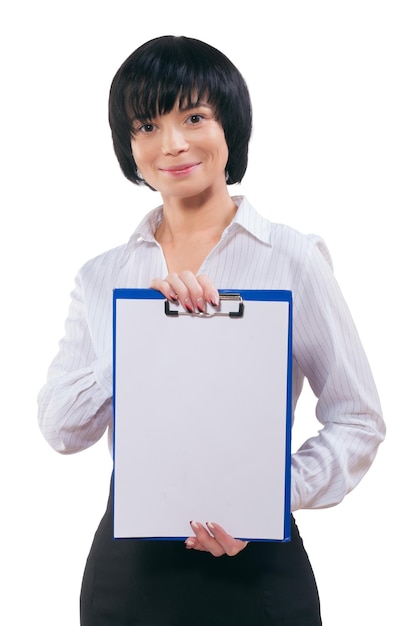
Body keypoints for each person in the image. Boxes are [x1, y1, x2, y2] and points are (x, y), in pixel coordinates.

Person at [37, 35, 385, 625]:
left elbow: (359, 418)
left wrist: (265, 504)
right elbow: (62, 431)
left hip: (255, 566)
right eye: (146, 125)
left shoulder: (291, 257)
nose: (171, 144)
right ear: (129, 145)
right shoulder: (103, 277)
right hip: (129, 576)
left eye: (193, 116)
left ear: (231, 128)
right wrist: (139, 340)